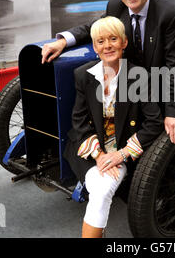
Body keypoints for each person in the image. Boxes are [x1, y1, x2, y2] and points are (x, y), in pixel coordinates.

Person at [41, 0, 175, 145]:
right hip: (143, 87)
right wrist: (63, 41)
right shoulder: (116, 6)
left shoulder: (171, 12)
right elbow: (94, 27)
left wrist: (173, 113)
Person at [63, 16, 163, 238]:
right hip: (88, 149)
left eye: (113, 39)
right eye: (100, 41)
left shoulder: (139, 76)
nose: (107, 45)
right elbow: (78, 121)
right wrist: (98, 155)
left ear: (124, 43)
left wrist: (122, 154)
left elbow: (154, 123)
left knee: (100, 191)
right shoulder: (83, 75)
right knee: (100, 190)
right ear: (94, 47)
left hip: (123, 149)